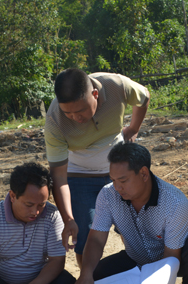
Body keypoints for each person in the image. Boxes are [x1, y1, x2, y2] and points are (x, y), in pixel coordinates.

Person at [70, 143, 188, 284]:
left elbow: (170, 258)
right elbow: (96, 239)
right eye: (113, 180)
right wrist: (86, 273)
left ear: (144, 174)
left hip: (175, 260)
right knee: (96, 273)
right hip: (136, 259)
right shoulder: (108, 195)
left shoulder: (174, 203)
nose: (117, 187)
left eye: (123, 181)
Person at [45, 69, 150, 268]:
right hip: (79, 175)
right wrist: (68, 219)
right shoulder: (54, 121)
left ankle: (140, 271)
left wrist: (134, 128)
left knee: (134, 227)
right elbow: (59, 177)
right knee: (84, 236)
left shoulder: (117, 85)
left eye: (81, 111)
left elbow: (144, 97)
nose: (75, 117)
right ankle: (89, 279)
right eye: (68, 113)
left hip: (119, 173)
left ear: (95, 94)